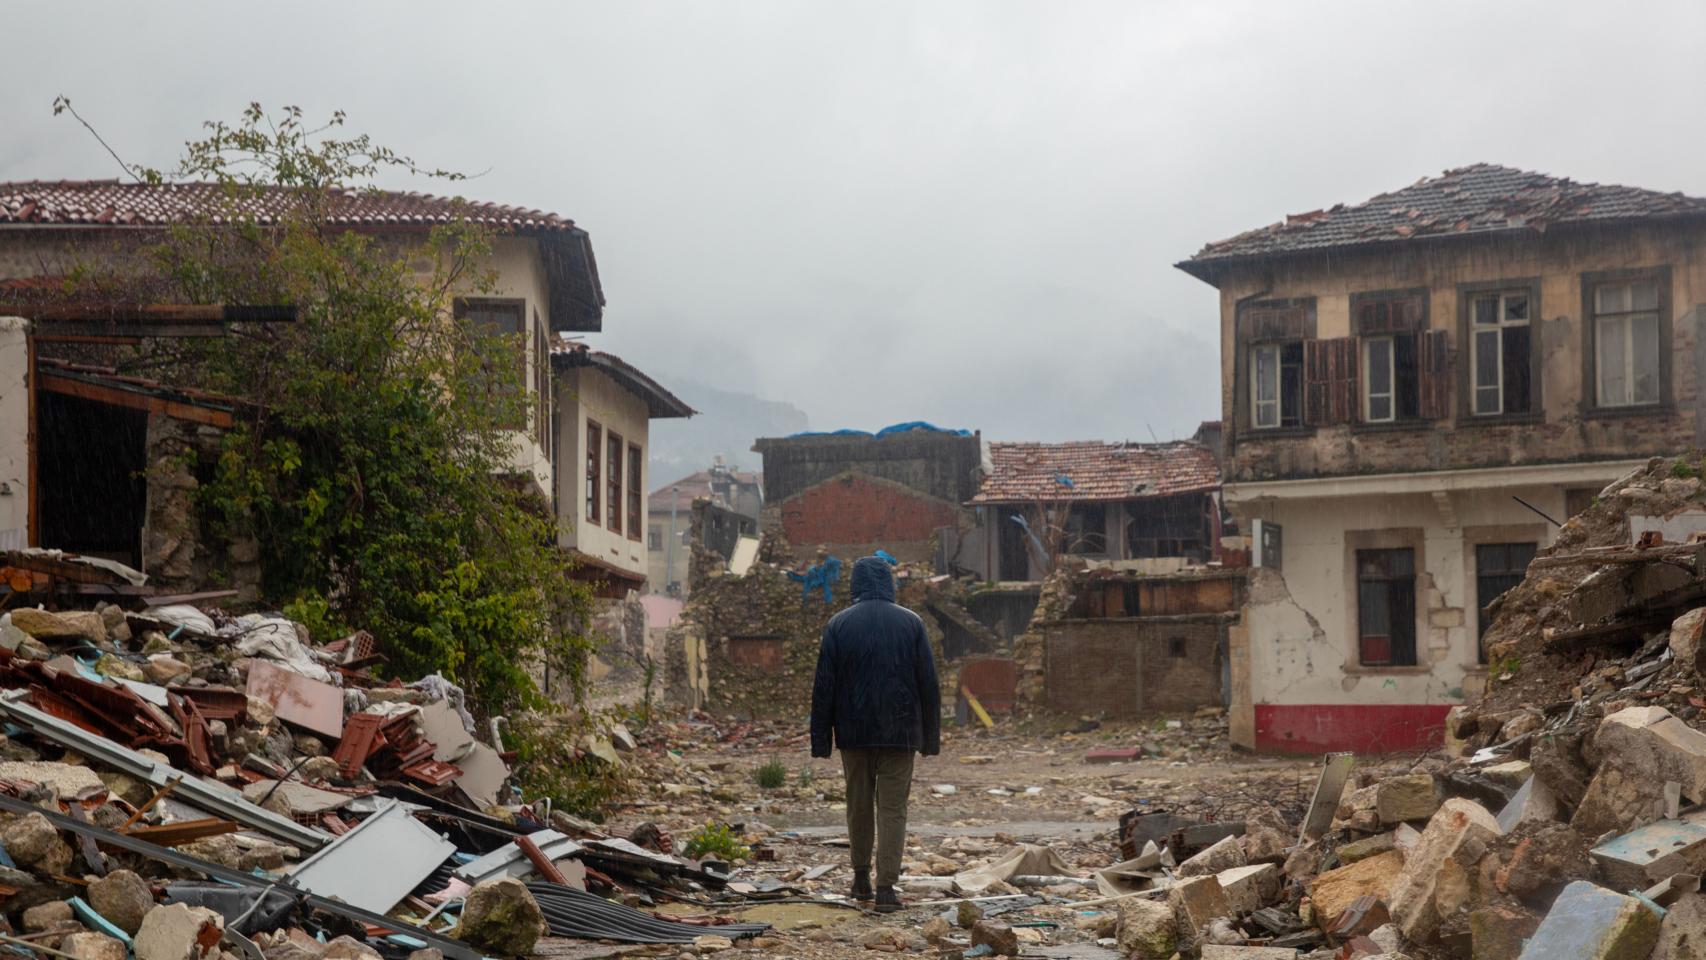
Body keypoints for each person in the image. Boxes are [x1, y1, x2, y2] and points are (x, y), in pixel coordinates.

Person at [809, 555, 941, 912]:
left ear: (855, 583)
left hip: (853, 733)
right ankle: (886, 888)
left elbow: (824, 687)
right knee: (893, 809)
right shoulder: (911, 623)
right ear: (889, 582)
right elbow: (928, 684)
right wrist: (930, 738)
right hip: (901, 732)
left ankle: (860, 878)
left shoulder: (838, 624)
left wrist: (821, 740)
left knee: (859, 805)